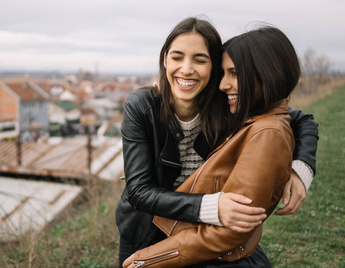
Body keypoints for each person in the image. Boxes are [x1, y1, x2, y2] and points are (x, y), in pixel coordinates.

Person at [116, 18, 318, 267]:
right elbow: (138, 191)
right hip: (146, 229)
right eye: (177, 57)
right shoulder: (142, 105)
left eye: (200, 60)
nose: (187, 69)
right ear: (165, 60)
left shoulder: (227, 102)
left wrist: (300, 170)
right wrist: (210, 206)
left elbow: (299, 119)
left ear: (213, 66)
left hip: (199, 230)